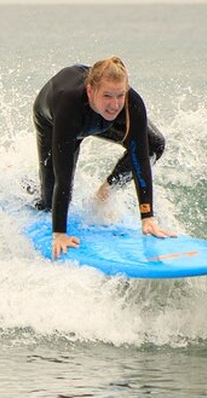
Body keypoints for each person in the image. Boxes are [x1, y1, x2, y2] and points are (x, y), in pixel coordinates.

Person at [32, 55, 175, 259]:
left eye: (120, 95)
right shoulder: (68, 104)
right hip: (53, 121)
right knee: (49, 202)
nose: (115, 104)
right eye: (108, 95)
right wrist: (59, 234)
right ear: (91, 91)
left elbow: (140, 157)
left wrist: (147, 217)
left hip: (95, 117)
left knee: (154, 145)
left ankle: (105, 191)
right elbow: (63, 177)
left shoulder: (131, 104)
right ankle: (28, 188)